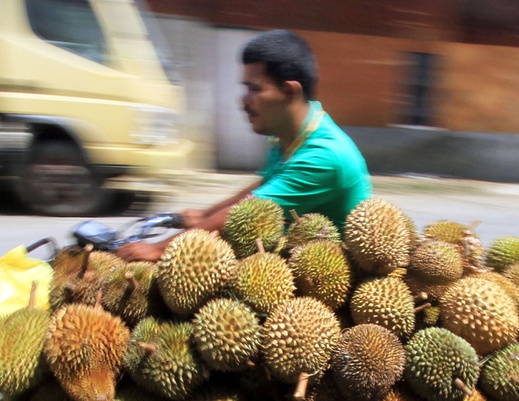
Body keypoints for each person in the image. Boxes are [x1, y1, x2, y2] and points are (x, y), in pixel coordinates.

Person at [116, 30, 372, 262]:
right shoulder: (286, 134)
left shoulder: (324, 157)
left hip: (321, 272)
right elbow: (263, 188)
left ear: (290, 92)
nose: (243, 101)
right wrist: (204, 214)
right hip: (283, 255)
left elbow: (246, 213)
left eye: (254, 89)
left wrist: (159, 249)